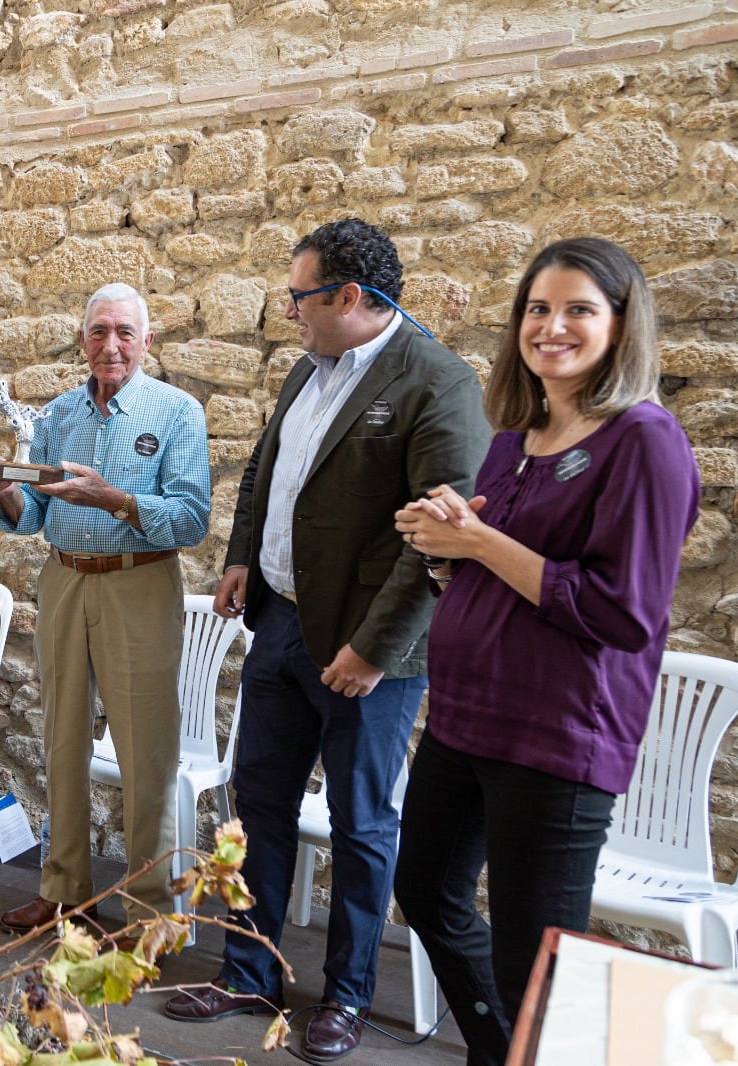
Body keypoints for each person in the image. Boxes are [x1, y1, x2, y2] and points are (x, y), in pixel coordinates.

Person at [164, 218, 492, 1063]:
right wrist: (242, 559)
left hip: (367, 655)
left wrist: (376, 649)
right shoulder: (305, 372)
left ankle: (346, 995)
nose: (288, 309)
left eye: (300, 295)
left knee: (361, 824)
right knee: (258, 805)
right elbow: (267, 472)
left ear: (351, 297)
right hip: (277, 625)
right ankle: (250, 972)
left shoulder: (437, 381)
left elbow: (443, 535)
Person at [392, 238, 699, 1066]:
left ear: (620, 325)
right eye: (537, 308)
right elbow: (488, 575)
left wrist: (483, 544)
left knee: (540, 954)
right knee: (423, 889)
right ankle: (504, 1051)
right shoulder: (514, 434)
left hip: (557, 732)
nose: (551, 326)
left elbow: (624, 614)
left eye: (578, 310)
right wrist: (443, 550)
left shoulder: (645, 441)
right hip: (463, 717)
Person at [0, 283, 211, 940]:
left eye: (125, 332)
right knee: (62, 742)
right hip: (65, 582)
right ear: (82, 340)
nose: (111, 345)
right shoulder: (56, 417)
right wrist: (6, 493)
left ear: (146, 341)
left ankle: (151, 916)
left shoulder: (176, 413)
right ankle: (64, 894)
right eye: (99, 331)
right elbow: (33, 519)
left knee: (146, 756)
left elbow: (192, 520)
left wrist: (116, 500)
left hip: (140, 585)